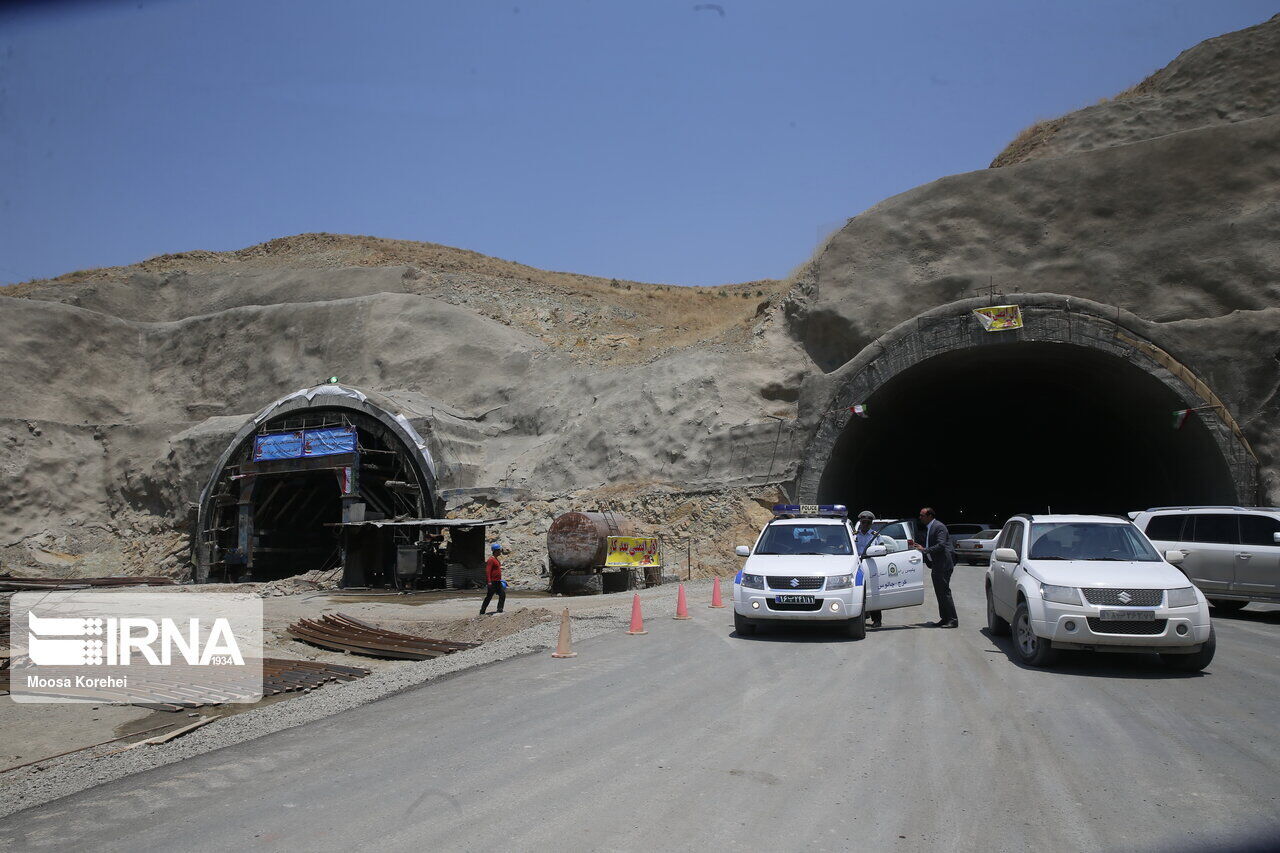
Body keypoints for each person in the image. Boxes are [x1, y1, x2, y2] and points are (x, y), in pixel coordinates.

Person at [913, 507, 957, 628]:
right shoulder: (930, 527)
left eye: (922, 515)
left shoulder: (939, 526)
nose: (920, 518)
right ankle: (945, 618)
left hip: (943, 564)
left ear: (930, 516)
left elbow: (941, 545)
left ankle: (952, 619)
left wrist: (925, 550)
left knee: (944, 592)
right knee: (939, 593)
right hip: (936, 565)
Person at [852, 510, 884, 628]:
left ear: (871, 524)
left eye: (868, 523)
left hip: (871, 566)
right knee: (858, 592)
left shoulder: (876, 535)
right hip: (857, 566)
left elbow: (882, 549)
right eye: (863, 522)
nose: (865, 525)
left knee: (874, 592)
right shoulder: (853, 535)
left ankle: (877, 620)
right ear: (860, 522)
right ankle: (861, 617)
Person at [480, 543, 506, 615]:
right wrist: (489, 581)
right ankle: (482, 611)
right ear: (495, 551)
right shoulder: (491, 560)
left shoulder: (496, 559)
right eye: (499, 550)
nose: (500, 552)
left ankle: (500, 609)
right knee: (489, 597)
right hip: (492, 582)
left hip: (498, 582)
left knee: (502, 594)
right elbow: (488, 571)